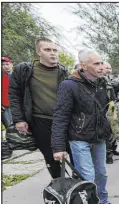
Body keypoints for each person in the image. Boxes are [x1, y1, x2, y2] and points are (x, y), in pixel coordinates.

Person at [52, 49, 119, 204]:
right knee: (88, 177)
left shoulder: (104, 84)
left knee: (101, 173)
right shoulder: (69, 86)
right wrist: (58, 147)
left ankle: (102, 202)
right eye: (96, 64)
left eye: (101, 63)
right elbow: (60, 116)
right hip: (79, 138)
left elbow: (111, 110)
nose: (101, 67)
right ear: (83, 66)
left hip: (99, 137)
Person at [9, 37, 73, 179]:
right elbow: (14, 95)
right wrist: (19, 119)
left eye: (55, 50)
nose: (53, 53)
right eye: (47, 50)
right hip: (40, 121)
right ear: (38, 52)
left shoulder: (63, 71)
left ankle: (80, 188)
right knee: (51, 158)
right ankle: (59, 187)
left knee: (74, 154)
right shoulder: (24, 70)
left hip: (64, 121)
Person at [103, 62, 119, 164]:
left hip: (113, 107)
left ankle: (113, 149)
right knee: (107, 133)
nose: (109, 70)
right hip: (105, 110)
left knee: (114, 131)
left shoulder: (113, 80)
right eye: (107, 68)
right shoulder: (101, 80)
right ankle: (108, 155)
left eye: (110, 68)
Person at [2, 57, 13, 128]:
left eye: (7, 64)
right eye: (3, 64)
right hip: (4, 107)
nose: (5, 66)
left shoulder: (17, 75)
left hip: (15, 106)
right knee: (9, 127)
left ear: (11, 64)